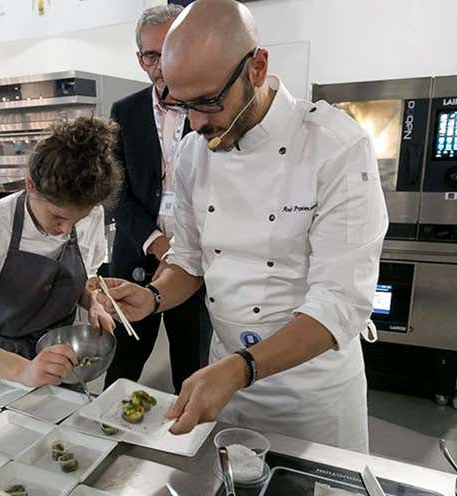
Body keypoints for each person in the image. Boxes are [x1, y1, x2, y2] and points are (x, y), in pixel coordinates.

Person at [98, 0, 387, 453]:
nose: (196, 123)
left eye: (209, 101)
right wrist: (153, 297)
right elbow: (189, 260)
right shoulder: (194, 153)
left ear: (258, 67)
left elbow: (340, 303)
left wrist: (241, 368)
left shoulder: (336, 148)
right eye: (183, 105)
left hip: (310, 397)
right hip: (225, 384)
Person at [0, 116, 120, 388]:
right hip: (1, 365)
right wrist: (24, 371)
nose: (65, 230)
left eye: (78, 219)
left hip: (64, 357)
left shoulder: (93, 213)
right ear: (30, 185)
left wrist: (93, 301)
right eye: (58, 217)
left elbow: (87, 276)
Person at [104, 4, 211, 394]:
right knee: (123, 367)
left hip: (196, 266)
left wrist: (181, 250)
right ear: (140, 60)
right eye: (151, 55)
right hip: (134, 257)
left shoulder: (210, 109)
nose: (162, 64)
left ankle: (189, 430)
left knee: (192, 368)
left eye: (169, 51)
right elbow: (115, 192)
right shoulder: (124, 111)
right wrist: (158, 243)